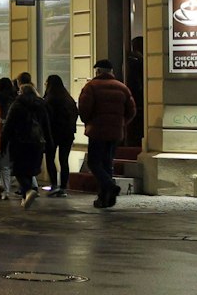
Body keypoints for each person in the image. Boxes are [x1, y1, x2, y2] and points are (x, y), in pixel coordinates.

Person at [78, 59, 138, 208]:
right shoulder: (122, 88)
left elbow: (84, 110)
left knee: (93, 163)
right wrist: (121, 123)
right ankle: (106, 199)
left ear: (98, 71)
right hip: (115, 132)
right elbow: (132, 111)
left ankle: (110, 187)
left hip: (97, 131)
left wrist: (89, 122)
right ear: (111, 71)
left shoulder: (91, 87)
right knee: (107, 164)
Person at [1, 76, 53, 204]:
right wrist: (49, 143)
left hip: (20, 142)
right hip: (37, 142)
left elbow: (8, 126)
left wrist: (2, 143)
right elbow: (46, 126)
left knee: (19, 170)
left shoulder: (17, 105)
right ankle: (26, 198)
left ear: (21, 92)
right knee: (30, 170)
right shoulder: (41, 105)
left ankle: (29, 191)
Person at [42, 74, 79, 197]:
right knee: (64, 160)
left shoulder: (49, 99)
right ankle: (63, 187)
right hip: (67, 134)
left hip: (52, 133)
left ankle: (54, 185)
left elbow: (46, 118)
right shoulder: (68, 99)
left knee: (50, 159)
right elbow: (74, 115)